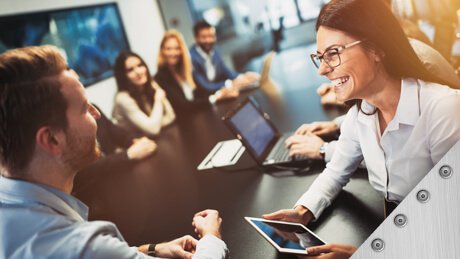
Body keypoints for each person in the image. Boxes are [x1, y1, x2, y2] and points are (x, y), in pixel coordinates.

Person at [264, 0, 460, 258]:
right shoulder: (362, 113)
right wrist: (302, 212)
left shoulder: (443, 110)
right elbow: (335, 173)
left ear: (376, 48)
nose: (323, 69)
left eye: (333, 53)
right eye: (320, 57)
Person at [0, 45, 228, 258]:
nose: (97, 114)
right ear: (51, 139)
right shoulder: (79, 245)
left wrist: (152, 249)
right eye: (84, 108)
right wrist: (211, 237)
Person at [287, 37, 460, 162]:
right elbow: (382, 104)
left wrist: (324, 150)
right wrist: (338, 123)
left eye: (334, 51)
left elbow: (397, 155)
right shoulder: (395, 47)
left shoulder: (415, 61)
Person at [73, 104, 158, 193]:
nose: (97, 114)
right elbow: (82, 171)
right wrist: (128, 155)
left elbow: (112, 129)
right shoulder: (65, 129)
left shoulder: (91, 108)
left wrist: (133, 141)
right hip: (90, 191)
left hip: (113, 178)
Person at [155, 30, 236, 117]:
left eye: (177, 48)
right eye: (168, 49)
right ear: (162, 50)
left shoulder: (185, 70)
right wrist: (215, 98)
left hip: (200, 115)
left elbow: (202, 92)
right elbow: (183, 106)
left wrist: (223, 93)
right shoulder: (160, 77)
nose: (173, 53)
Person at [112, 51, 176, 137]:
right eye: (130, 70)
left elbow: (171, 116)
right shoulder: (122, 98)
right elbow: (153, 130)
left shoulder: (151, 84)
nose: (138, 72)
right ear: (123, 76)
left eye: (140, 65)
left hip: (153, 139)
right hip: (135, 146)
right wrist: (158, 100)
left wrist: (152, 126)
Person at [189, 20, 259, 94]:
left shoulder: (215, 50)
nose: (209, 40)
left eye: (211, 36)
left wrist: (242, 77)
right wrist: (230, 83)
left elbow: (225, 70)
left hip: (221, 92)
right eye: (204, 37)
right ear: (196, 39)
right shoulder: (191, 58)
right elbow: (205, 86)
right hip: (205, 98)